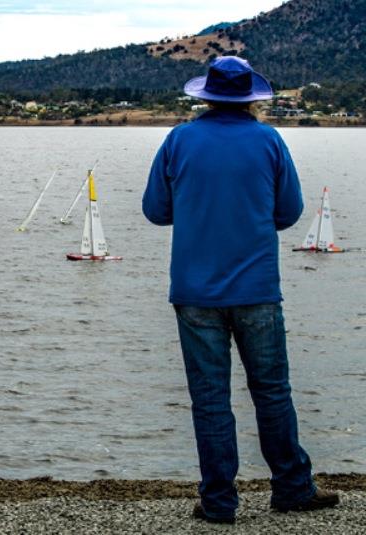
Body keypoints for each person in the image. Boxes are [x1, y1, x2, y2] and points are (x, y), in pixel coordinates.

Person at [142, 56, 339, 524]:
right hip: (257, 289)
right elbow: (289, 213)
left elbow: (155, 210)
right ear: (251, 97)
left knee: (209, 400)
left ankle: (218, 503)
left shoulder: (179, 139)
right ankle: (292, 488)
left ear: (206, 95)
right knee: (272, 392)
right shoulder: (269, 140)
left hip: (194, 293)